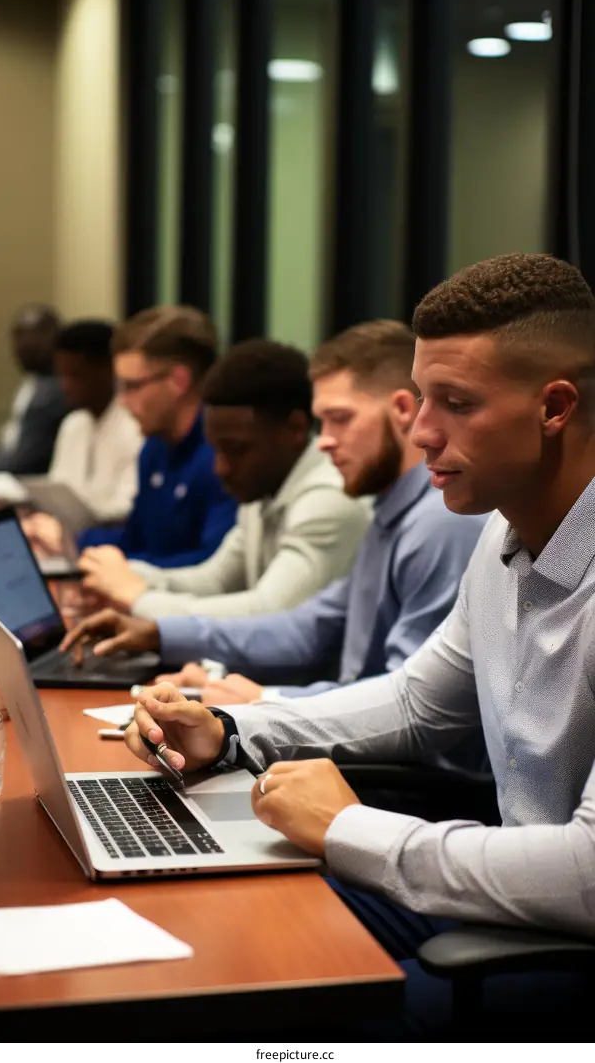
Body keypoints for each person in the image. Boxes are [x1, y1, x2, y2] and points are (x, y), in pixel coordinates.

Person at [115, 253, 595, 1038]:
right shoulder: (502, 536)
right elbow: (414, 699)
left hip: (560, 948)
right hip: (502, 907)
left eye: (457, 402)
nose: (422, 429)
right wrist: (234, 731)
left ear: (554, 406)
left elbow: (585, 874)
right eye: (421, 397)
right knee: (217, 932)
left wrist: (347, 828)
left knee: (269, 1014)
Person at [65, 322, 485, 706]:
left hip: (393, 780)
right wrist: (159, 632)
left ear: (401, 412)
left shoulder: (436, 522)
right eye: (324, 423)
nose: (325, 442)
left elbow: (410, 710)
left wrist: (265, 702)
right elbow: (307, 626)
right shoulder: (390, 511)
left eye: (340, 420)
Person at [73, 338, 370, 620]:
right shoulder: (262, 490)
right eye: (216, 449)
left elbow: (269, 612)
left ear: (294, 429)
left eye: (237, 450)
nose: (220, 468)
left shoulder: (328, 499)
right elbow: (214, 580)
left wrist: (137, 598)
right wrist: (125, 576)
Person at [75, 305, 237, 573]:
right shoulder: (154, 448)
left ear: (178, 380)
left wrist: (124, 571)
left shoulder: (224, 453)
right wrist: (72, 541)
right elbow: (135, 540)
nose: (122, 401)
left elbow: (214, 567)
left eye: (132, 386)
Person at [21, 321, 143, 556]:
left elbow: (126, 510)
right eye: (62, 375)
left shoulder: (135, 425)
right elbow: (56, 490)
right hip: (66, 542)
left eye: (76, 375)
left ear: (108, 371)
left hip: (114, 546)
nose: (65, 386)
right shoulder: (73, 424)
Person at [0, 304, 66, 474]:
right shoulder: (32, 383)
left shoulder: (55, 392)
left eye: (34, 336)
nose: (23, 345)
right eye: (18, 336)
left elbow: (22, 460)